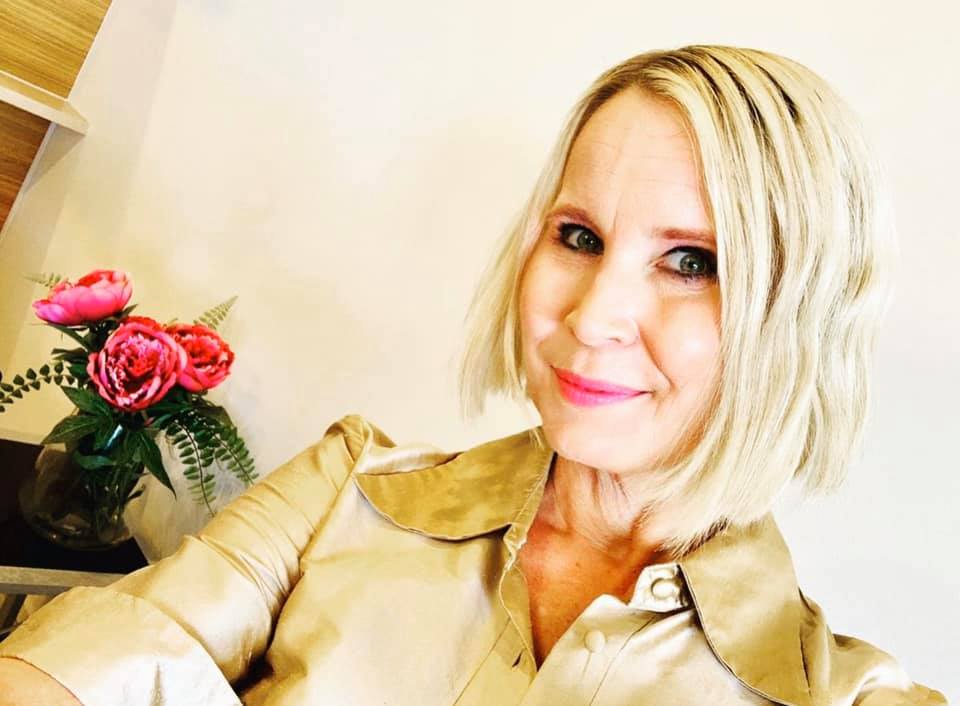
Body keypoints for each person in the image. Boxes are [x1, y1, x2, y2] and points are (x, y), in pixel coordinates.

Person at [0, 45, 947, 705]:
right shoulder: (343, 489)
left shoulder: (850, 696)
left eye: (692, 261)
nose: (592, 316)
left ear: (802, 316)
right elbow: (83, 667)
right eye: (579, 237)